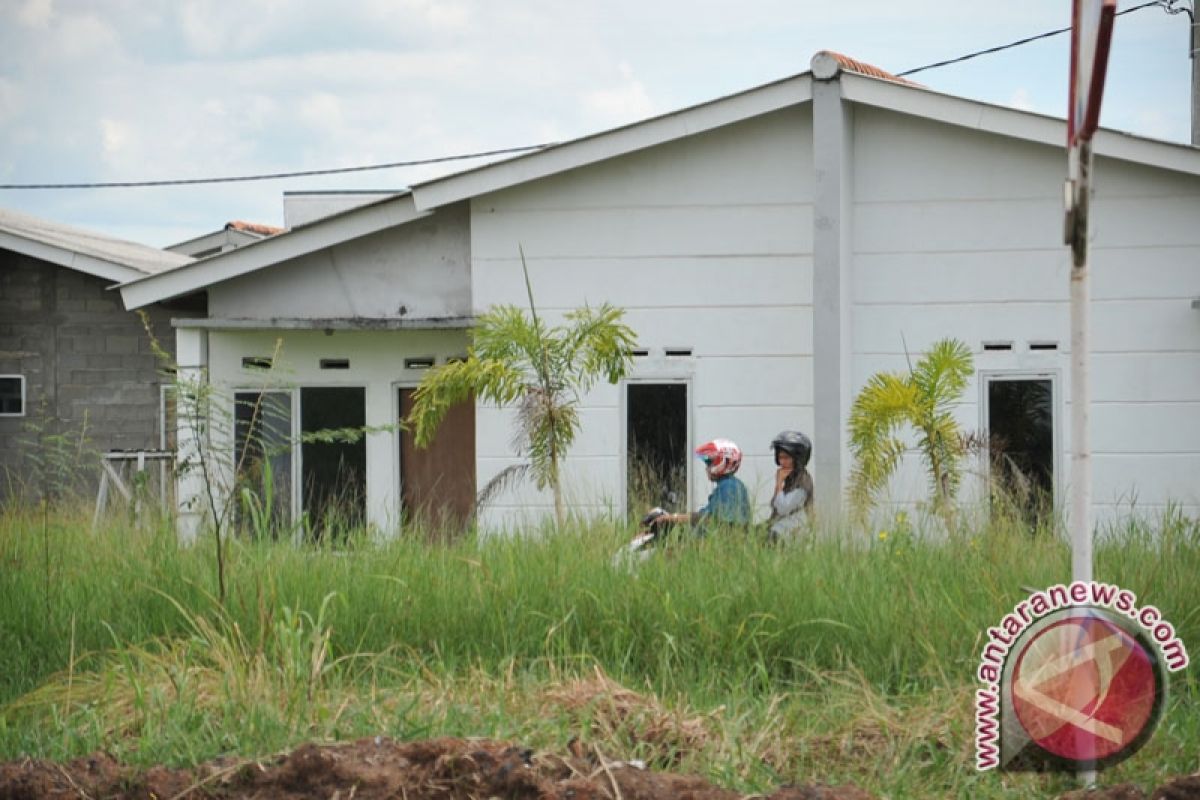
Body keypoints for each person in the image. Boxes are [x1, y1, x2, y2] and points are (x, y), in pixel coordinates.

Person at [658, 438, 751, 535]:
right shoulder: (728, 485)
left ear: (723, 462)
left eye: (709, 463)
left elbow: (711, 519)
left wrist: (675, 518)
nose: (707, 468)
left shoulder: (730, 487)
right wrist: (674, 518)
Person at [767, 430, 813, 542]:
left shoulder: (802, 481)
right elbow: (775, 506)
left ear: (798, 458)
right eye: (780, 457)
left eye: (786, 458)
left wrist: (778, 483)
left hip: (792, 532)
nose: (782, 462)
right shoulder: (790, 478)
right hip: (782, 527)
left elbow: (784, 508)